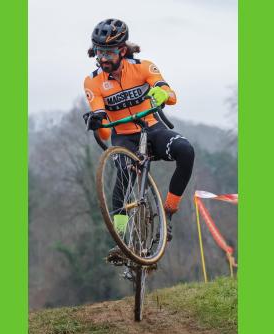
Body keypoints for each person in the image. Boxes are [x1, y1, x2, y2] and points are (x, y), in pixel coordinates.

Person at [83, 18, 195, 259]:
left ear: (122, 50)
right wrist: (96, 122)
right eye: (100, 52)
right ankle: (122, 238)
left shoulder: (144, 67)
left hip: (152, 129)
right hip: (124, 138)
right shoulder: (93, 81)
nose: (103, 58)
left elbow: (170, 93)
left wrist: (162, 93)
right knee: (122, 179)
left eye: (109, 52)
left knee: (185, 151)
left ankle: (168, 211)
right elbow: (101, 120)